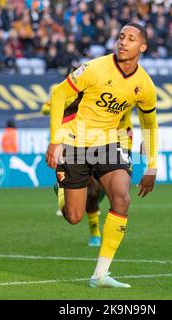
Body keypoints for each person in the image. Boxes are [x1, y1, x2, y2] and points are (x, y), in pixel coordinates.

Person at [45, 23, 158, 288]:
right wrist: (54, 140)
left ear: (142, 47)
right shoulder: (95, 68)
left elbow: (150, 125)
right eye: (120, 37)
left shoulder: (144, 84)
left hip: (108, 144)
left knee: (122, 197)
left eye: (131, 39)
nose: (123, 42)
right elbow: (58, 93)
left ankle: (100, 275)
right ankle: (61, 190)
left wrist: (152, 165)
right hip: (74, 143)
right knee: (74, 216)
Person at [43, 99, 134, 248]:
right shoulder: (84, 92)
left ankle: (76, 197)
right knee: (91, 191)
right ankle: (95, 233)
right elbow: (48, 107)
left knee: (117, 192)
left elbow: (147, 110)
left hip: (122, 143)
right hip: (92, 141)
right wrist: (54, 107)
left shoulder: (130, 87)